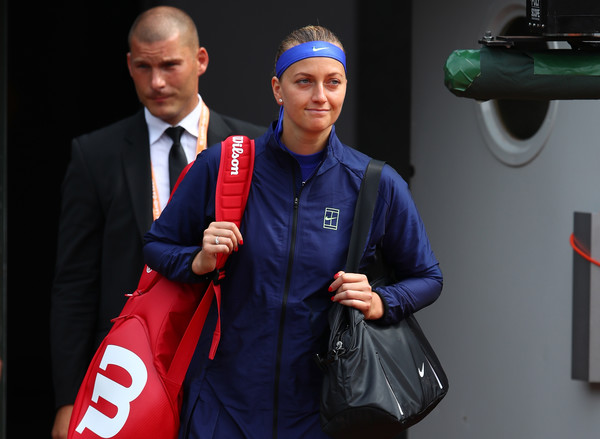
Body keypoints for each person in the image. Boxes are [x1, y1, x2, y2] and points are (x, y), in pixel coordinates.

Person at [143, 25, 443, 439]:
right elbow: (156, 245)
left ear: (344, 88)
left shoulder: (375, 183)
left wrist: (379, 301)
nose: (320, 96)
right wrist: (197, 260)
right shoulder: (223, 166)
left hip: (322, 411)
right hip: (222, 406)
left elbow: (428, 277)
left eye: (332, 82)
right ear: (278, 89)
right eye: (304, 81)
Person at [49, 6, 265, 439]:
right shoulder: (96, 154)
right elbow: (74, 283)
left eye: (170, 65)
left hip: (225, 365)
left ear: (200, 60)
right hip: (126, 371)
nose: (157, 82)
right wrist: (70, 398)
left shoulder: (250, 149)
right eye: (143, 68)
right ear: (129, 65)